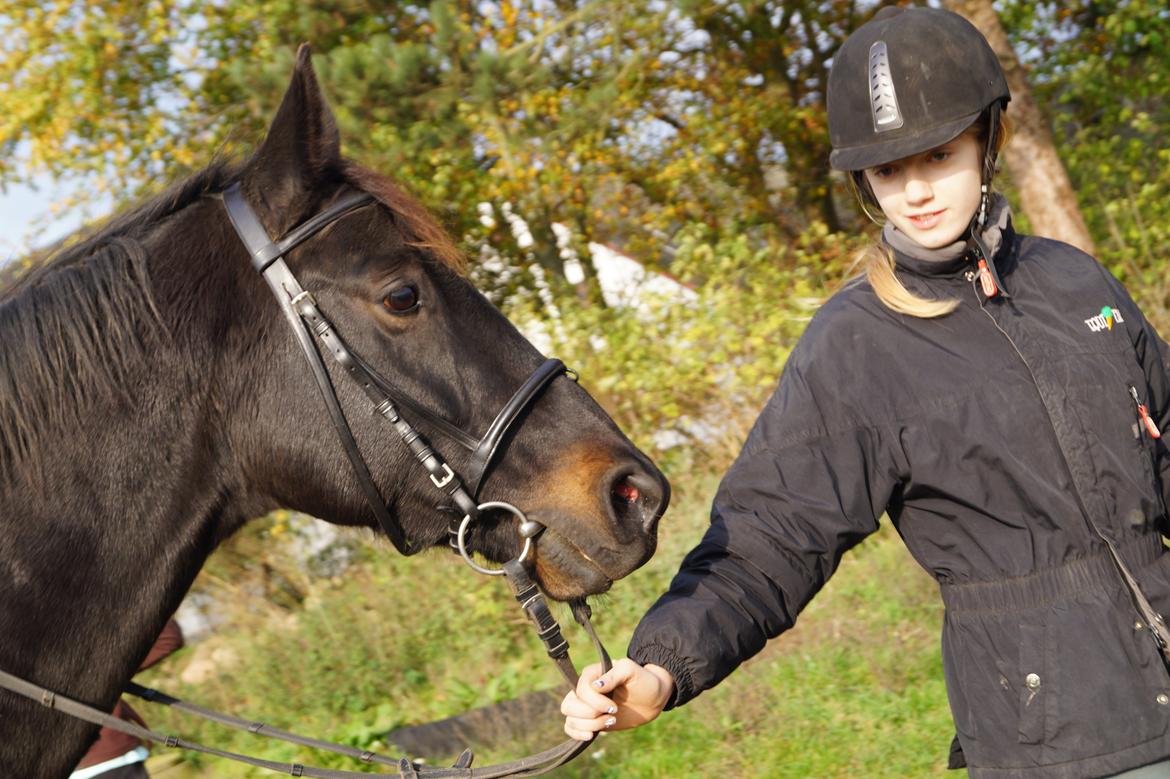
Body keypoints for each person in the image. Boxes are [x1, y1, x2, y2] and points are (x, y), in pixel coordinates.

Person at [561, 6, 1170, 778]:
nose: (914, 191)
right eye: (888, 170)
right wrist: (660, 668)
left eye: (938, 154)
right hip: (1056, 739)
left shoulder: (1075, 281)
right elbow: (771, 533)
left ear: (988, 139)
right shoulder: (856, 344)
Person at [71, 619, 184, 779]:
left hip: (99, 763)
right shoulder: (87, 658)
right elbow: (168, 638)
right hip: (112, 759)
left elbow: (168, 639)